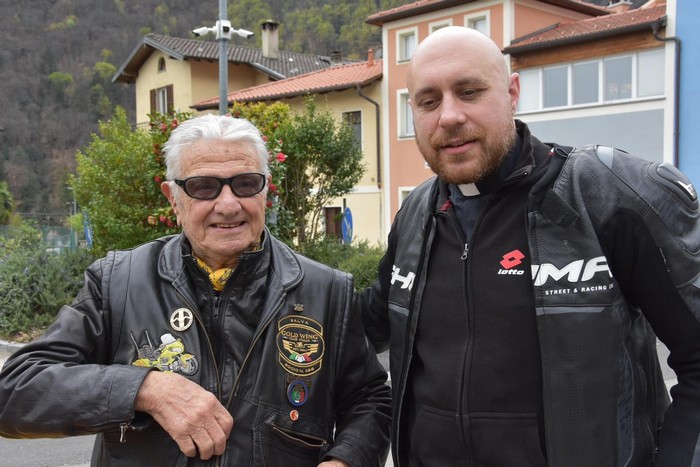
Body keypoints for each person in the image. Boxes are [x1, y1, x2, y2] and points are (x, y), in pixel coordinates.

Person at [360, 26, 700, 467]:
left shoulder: (606, 195)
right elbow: (360, 325)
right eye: (428, 101)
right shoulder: (416, 215)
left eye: (469, 92)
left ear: (512, 92)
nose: (449, 116)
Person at [0, 114, 391, 467]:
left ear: (265, 191)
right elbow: (15, 391)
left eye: (245, 184)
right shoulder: (117, 282)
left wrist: (345, 460)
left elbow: (369, 400)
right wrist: (145, 388)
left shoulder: (327, 290)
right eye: (204, 187)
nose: (228, 204)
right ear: (174, 199)